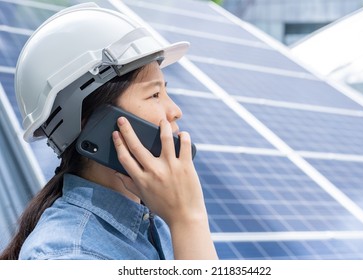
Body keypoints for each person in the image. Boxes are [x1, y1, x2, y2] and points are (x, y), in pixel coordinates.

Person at [0, 3, 218, 260]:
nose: (175, 110)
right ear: (92, 122)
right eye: (155, 94)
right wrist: (188, 220)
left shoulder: (154, 223)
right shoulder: (67, 256)